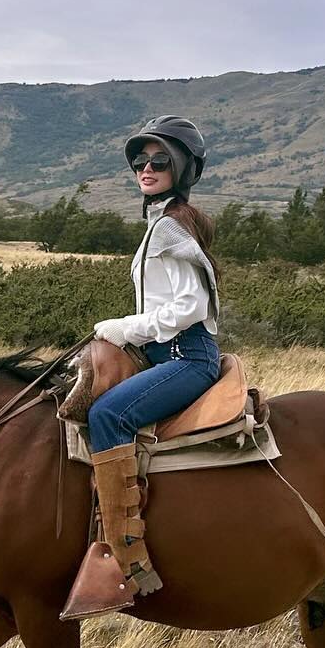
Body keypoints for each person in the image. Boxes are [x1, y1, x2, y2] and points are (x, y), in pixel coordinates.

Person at [62, 115, 222, 619]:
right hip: (164, 352)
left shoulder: (170, 227)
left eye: (158, 161)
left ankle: (124, 559)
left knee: (110, 415)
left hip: (185, 356)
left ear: (181, 168)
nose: (146, 169)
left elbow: (191, 307)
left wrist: (126, 328)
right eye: (139, 161)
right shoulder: (163, 222)